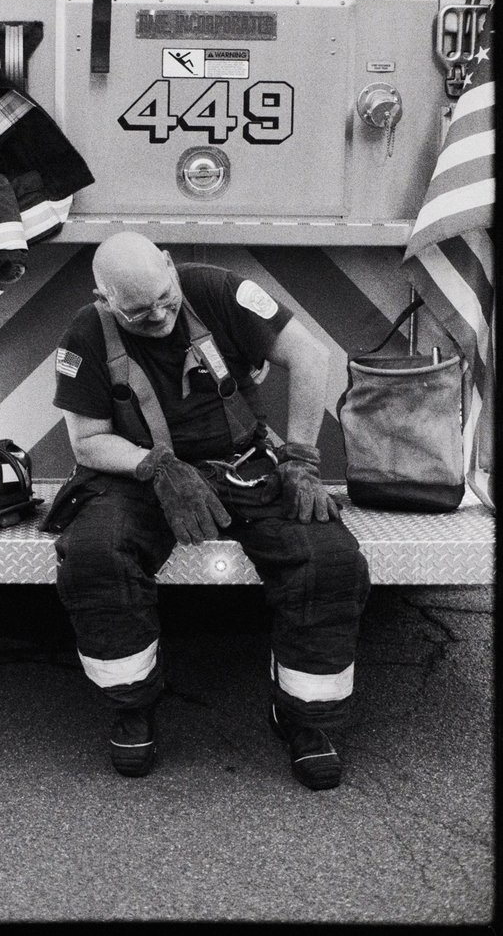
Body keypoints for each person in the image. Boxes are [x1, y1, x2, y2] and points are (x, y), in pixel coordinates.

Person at [43, 232, 370, 790]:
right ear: (105, 299)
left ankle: (305, 720)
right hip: (142, 473)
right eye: (138, 312)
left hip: (245, 465)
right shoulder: (85, 333)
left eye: (165, 299)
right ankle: (133, 706)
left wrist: (301, 461)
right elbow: (89, 442)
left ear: (170, 266)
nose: (159, 317)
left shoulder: (220, 291)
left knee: (329, 561)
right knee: (96, 556)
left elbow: (311, 357)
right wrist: (157, 469)